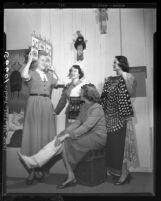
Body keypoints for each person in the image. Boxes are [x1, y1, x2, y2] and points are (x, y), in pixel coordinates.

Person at [17, 83, 107, 188]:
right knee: (61, 140)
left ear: (87, 94)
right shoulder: (84, 106)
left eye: (81, 92)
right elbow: (77, 123)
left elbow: (86, 126)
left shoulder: (97, 108)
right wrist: (63, 132)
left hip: (98, 137)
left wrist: (66, 136)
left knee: (64, 141)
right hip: (89, 134)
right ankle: (38, 162)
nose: (79, 93)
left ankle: (36, 161)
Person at [20, 50, 59, 185]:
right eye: (42, 60)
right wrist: (30, 60)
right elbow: (23, 74)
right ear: (36, 61)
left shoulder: (48, 75)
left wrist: (54, 70)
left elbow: (58, 81)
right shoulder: (30, 72)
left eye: (46, 60)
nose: (45, 62)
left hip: (46, 105)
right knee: (33, 137)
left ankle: (39, 169)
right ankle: (32, 171)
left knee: (43, 137)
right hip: (34, 105)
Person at [101, 55, 139, 185]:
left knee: (122, 145)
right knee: (113, 145)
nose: (113, 65)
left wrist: (120, 80)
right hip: (111, 116)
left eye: (115, 63)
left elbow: (130, 93)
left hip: (123, 115)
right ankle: (116, 172)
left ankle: (124, 173)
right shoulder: (110, 80)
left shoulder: (128, 77)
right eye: (113, 63)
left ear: (121, 64)